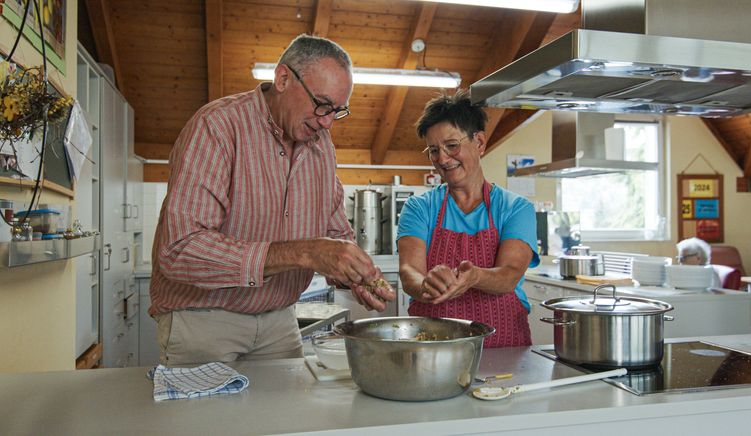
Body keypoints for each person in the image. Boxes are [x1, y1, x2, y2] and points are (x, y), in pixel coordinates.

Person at [150, 34, 395, 366]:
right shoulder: (218, 126)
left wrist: (355, 274)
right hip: (204, 320)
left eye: (337, 111)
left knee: (289, 419)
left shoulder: (322, 146)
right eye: (322, 104)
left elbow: (335, 236)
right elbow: (180, 249)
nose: (327, 122)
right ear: (283, 79)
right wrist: (306, 252)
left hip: (279, 321)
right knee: (206, 420)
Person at [397, 91, 540, 348]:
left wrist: (475, 277)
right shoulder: (419, 207)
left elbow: (509, 275)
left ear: (480, 142)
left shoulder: (516, 208)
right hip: (433, 348)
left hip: (502, 349)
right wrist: (426, 285)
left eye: (452, 146)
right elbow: (409, 272)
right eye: (433, 151)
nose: (442, 159)